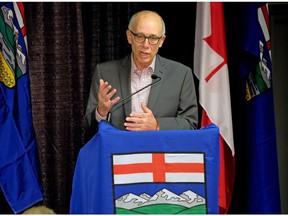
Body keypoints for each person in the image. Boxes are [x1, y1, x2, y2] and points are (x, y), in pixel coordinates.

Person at [84, 10, 198, 135]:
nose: (146, 45)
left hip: (160, 152)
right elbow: (89, 128)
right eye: (140, 36)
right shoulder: (105, 73)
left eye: (153, 38)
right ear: (129, 36)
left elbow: (190, 124)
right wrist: (101, 112)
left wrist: (157, 125)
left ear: (161, 41)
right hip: (118, 151)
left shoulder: (181, 74)